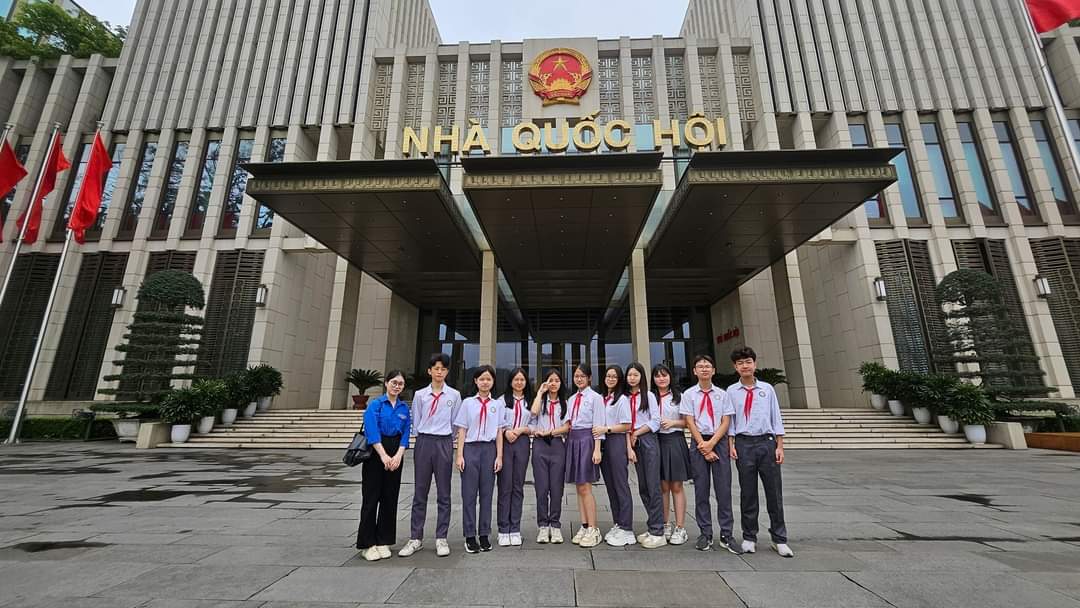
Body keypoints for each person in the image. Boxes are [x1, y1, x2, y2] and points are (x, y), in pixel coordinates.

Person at [727, 346, 793, 558]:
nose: (745, 366)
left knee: (774, 493)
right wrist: (731, 444)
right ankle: (749, 537)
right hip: (744, 443)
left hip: (767, 443)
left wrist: (780, 446)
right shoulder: (731, 391)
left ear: (754, 364)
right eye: (740, 363)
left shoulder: (767, 389)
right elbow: (730, 420)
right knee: (748, 493)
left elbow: (776, 417)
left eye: (748, 362)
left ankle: (779, 538)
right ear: (735, 367)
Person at [400, 353, 462, 558]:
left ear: (447, 372)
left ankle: (441, 537)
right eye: (436, 368)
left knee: (444, 493)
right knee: (420, 491)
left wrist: (447, 438)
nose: (439, 372)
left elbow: (455, 423)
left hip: (444, 442)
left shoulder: (454, 395)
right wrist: (424, 435)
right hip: (424, 442)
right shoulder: (420, 395)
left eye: (443, 369)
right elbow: (416, 421)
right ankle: (415, 537)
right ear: (429, 371)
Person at [680, 354, 740, 554]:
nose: (704, 369)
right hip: (698, 442)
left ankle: (726, 534)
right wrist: (702, 445)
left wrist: (712, 444)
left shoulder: (723, 394)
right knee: (701, 490)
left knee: (724, 490)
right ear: (694, 371)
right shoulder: (689, 394)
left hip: (718, 441)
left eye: (707, 366)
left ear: (713, 370)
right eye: (700, 366)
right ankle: (705, 533)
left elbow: (726, 421)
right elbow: (689, 421)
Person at [356, 370, 411, 561]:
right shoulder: (376, 405)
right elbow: (371, 431)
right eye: (394, 382)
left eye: (400, 384)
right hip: (375, 453)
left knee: (390, 498)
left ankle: (383, 540)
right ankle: (367, 544)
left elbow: (406, 433)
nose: (397, 386)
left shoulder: (404, 408)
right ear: (386, 383)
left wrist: (398, 456)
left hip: (396, 453)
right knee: (371, 498)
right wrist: (383, 455)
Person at [454, 365, 503, 553]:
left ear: (493, 382)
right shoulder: (467, 403)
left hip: (489, 450)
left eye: (488, 379)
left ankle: (484, 534)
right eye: (481, 379)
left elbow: (499, 432)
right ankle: (469, 535)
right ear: (475, 381)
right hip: (471, 449)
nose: (485, 382)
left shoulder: (497, 405)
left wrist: (499, 456)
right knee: (469, 495)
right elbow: (462, 429)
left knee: (487, 495)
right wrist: (459, 455)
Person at [625, 362, 666, 548]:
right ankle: (652, 525)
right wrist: (630, 441)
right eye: (630, 375)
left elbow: (656, 421)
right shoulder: (624, 398)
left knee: (653, 485)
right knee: (643, 486)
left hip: (647, 440)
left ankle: (658, 530)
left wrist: (637, 433)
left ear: (641, 377)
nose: (632, 378)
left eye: (636, 375)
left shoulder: (648, 396)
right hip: (633, 442)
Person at [565, 364, 605, 548]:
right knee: (578, 486)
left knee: (586, 486)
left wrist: (597, 449)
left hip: (587, 440)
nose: (579, 379)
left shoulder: (596, 398)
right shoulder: (572, 399)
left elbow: (598, 424)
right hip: (573, 440)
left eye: (582, 376)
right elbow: (568, 422)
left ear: (589, 378)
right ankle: (584, 525)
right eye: (576, 376)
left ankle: (593, 528)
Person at [529, 368, 570, 544]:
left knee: (556, 488)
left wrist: (550, 432)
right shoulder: (540, 400)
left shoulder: (565, 403)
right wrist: (540, 392)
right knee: (541, 488)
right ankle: (543, 526)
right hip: (540, 446)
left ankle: (555, 524)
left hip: (557, 445)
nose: (553, 383)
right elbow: (533, 413)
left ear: (561, 383)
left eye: (556, 380)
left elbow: (567, 427)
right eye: (550, 380)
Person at [652, 363, 690, 545]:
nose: (661, 379)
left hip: (674, 441)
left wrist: (673, 423)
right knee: (662, 486)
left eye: (664, 375)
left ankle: (680, 527)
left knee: (676, 485)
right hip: (657, 441)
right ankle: (665, 523)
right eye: (657, 376)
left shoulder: (679, 397)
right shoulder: (650, 398)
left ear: (670, 377)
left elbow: (688, 422)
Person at [598, 364, 635, 547]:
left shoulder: (622, 399)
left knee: (620, 484)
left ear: (619, 379)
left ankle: (627, 528)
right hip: (604, 443)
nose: (611, 379)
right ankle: (618, 523)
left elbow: (627, 425)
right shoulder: (604, 398)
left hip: (616, 440)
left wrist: (606, 429)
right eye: (608, 376)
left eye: (614, 376)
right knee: (611, 486)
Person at [497, 367, 534, 546]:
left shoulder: (530, 401)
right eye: (516, 379)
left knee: (518, 486)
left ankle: (515, 528)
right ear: (510, 381)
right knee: (505, 486)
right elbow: (497, 423)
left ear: (526, 382)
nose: (519, 382)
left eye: (522, 380)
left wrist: (521, 430)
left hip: (522, 443)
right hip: (505, 443)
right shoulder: (501, 401)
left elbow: (535, 423)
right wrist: (506, 431)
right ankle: (503, 528)